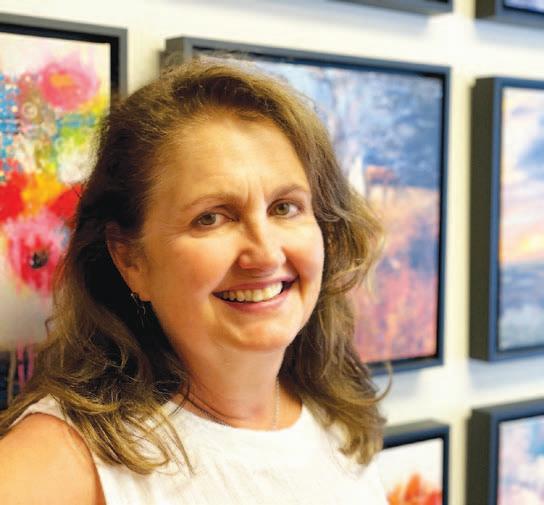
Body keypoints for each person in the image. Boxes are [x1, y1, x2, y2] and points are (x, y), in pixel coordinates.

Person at [0, 59, 387, 504]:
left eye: (285, 208)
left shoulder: (339, 418)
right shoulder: (66, 460)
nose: (265, 254)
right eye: (211, 218)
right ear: (130, 259)